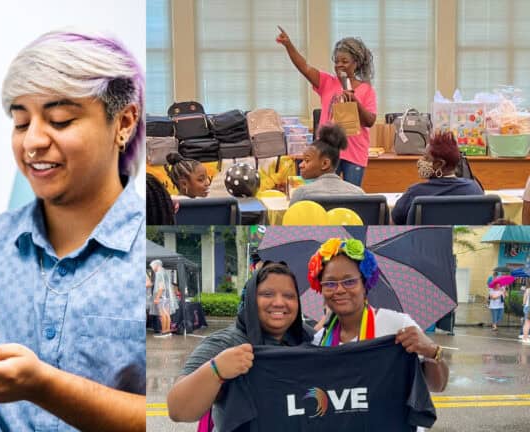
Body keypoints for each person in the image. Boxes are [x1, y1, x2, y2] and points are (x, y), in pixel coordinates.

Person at [0, 30, 145, 431]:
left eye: (59, 120)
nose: (32, 141)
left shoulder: (147, 256)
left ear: (123, 122)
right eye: (21, 122)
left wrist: (43, 387)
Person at [167, 263, 314, 429]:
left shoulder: (308, 338)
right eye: (267, 294)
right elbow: (177, 410)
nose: (279, 302)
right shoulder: (226, 343)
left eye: (289, 295)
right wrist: (216, 370)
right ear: (250, 299)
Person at [307, 238, 449, 393]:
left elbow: (438, 386)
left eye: (349, 281)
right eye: (330, 283)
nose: (339, 290)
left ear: (364, 285)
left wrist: (432, 351)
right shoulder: (319, 341)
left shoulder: (398, 326)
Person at [277, 28, 377, 187]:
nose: (339, 65)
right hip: (328, 152)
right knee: (325, 193)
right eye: (336, 62)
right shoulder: (327, 82)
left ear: (356, 63)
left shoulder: (366, 89)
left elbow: (370, 121)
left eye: (344, 61)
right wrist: (288, 45)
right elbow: (304, 67)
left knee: (351, 195)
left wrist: (355, 102)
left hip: (355, 152)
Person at [391, 131, 484, 225]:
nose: (420, 161)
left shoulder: (415, 192)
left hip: (425, 239)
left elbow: (394, 222)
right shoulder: (474, 189)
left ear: (439, 164)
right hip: (461, 239)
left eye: (426, 158)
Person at [289, 124, 365, 204]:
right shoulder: (359, 193)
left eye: (307, 160)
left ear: (325, 164)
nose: (300, 165)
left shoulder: (302, 194)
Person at [150, 259, 174, 337]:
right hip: (167, 296)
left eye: (152, 267)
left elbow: (161, 287)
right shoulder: (164, 271)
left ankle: (163, 332)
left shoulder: (159, 273)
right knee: (167, 314)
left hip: (162, 297)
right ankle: (167, 331)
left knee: (162, 315)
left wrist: (157, 297)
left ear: (156, 265)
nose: (152, 268)